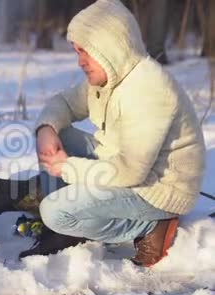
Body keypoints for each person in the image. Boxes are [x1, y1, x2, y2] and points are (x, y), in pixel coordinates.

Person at [19, 0, 206, 267]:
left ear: (109, 48)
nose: (80, 62)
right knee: (61, 137)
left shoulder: (148, 89)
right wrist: (47, 129)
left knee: (53, 211)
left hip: (157, 191)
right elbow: (65, 103)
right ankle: (65, 232)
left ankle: (149, 226)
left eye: (85, 52)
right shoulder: (110, 77)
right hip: (126, 168)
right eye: (76, 52)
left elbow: (131, 172)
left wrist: (67, 168)